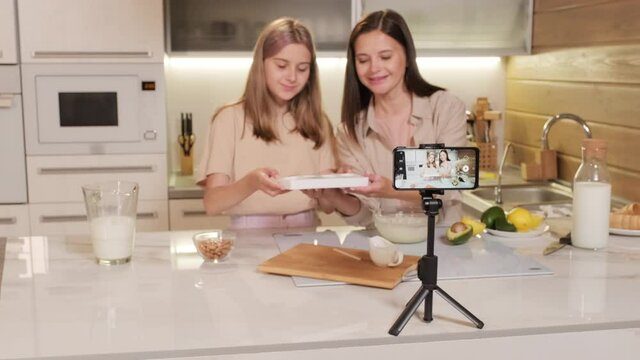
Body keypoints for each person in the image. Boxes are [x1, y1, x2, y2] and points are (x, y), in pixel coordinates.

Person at [309, 9, 467, 226]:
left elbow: (447, 188)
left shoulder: (445, 107)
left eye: (385, 57)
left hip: (444, 245)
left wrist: (389, 189)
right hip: (384, 250)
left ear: (408, 57)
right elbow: (364, 218)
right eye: (363, 60)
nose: (374, 68)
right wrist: (335, 195)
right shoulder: (349, 132)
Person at [196, 17, 336, 229]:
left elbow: (328, 206)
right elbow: (212, 203)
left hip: (306, 234)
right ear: (261, 64)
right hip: (249, 236)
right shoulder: (229, 119)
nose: (292, 77)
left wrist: (326, 192)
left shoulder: (318, 123)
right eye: (281, 65)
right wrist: (251, 183)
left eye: (302, 68)